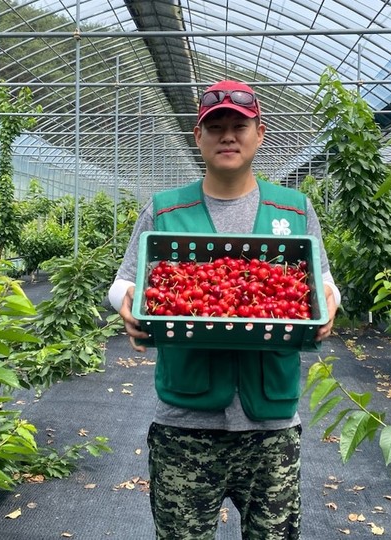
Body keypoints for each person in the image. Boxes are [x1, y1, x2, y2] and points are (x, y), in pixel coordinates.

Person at [108, 79, 340, 540]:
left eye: (239, 125)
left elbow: (322, 282)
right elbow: (125, 283)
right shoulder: (165, 210)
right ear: (198, 136)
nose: (228, 136)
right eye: (215, 128)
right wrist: (128, 305)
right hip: (185, 428)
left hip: (270, 428)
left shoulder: (292, 209)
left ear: (260, 133)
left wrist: (330, 303)